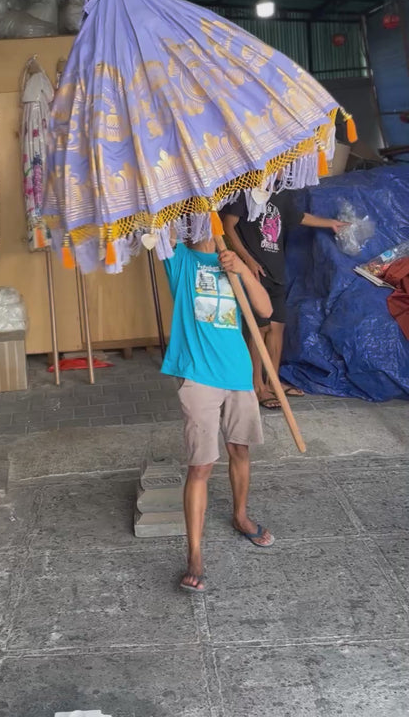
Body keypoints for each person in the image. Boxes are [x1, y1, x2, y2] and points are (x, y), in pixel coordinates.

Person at [162, 233, 274, 594]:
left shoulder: (231, 262)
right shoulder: (179, 260)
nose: (198, 226)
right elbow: (155, 226)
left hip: (238, 373)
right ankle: (194, 554)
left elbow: (266, 310)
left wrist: (240, 266)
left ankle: (240, 516)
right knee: (201, 466)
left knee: (239, 448)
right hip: (198, 376)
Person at [221, 190, 347, 409]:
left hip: (276, 274)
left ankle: (273, 382)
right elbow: (228, 226)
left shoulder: (280, 195)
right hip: (254, 274)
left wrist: (330, 223)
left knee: (277, 328)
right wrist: (246, 260)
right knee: (258, 329)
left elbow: (299, 217)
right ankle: (257, 386)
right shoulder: (245, 193)